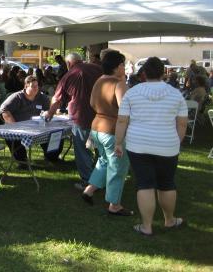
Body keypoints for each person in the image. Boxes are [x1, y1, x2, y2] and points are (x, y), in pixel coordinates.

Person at [115, 57, 188, 236]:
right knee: (167, 184)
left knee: (145, 184)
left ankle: (146, 226)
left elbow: (122, 120)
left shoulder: (131, 93)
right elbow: (182, 124)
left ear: (144, 73)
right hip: (167, 144)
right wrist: (175, 141)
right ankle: (169, 220)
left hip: (138, 145)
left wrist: (118, 142)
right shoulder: (175, 94)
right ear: (163, 73)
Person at [81, 51, 132, 216]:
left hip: (97, 127)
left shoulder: (99, 80)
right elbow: (125, 109)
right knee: (118, 167)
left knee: (103, 161)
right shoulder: (119, 83)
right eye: (123, 64)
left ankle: (89, 190)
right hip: (112, 130)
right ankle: (114, 205)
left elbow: (91, 103)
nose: (124, 67)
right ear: (117, 67)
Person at [45, 52, 102, 188]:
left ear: (69, 63)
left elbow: (56, 99)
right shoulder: (98, 69)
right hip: (101, 116)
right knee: (101, 150)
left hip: (81, 116)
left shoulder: (68, 75)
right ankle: (101, 178)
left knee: (83, 150)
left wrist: (49, 114)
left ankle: (88, 181)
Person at [0, 75, 59, 167]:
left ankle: (52, 157)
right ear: (26, 86)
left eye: (37, 86)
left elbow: (49, 110)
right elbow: (4, 110)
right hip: (18, 128)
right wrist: (15, 126)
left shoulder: (41, 97)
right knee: (11, 138)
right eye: (33, 86)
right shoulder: (17, 97)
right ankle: (22, 162)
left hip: (37, 128)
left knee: (56, 133)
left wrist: (47, 113)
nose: (36, 88)